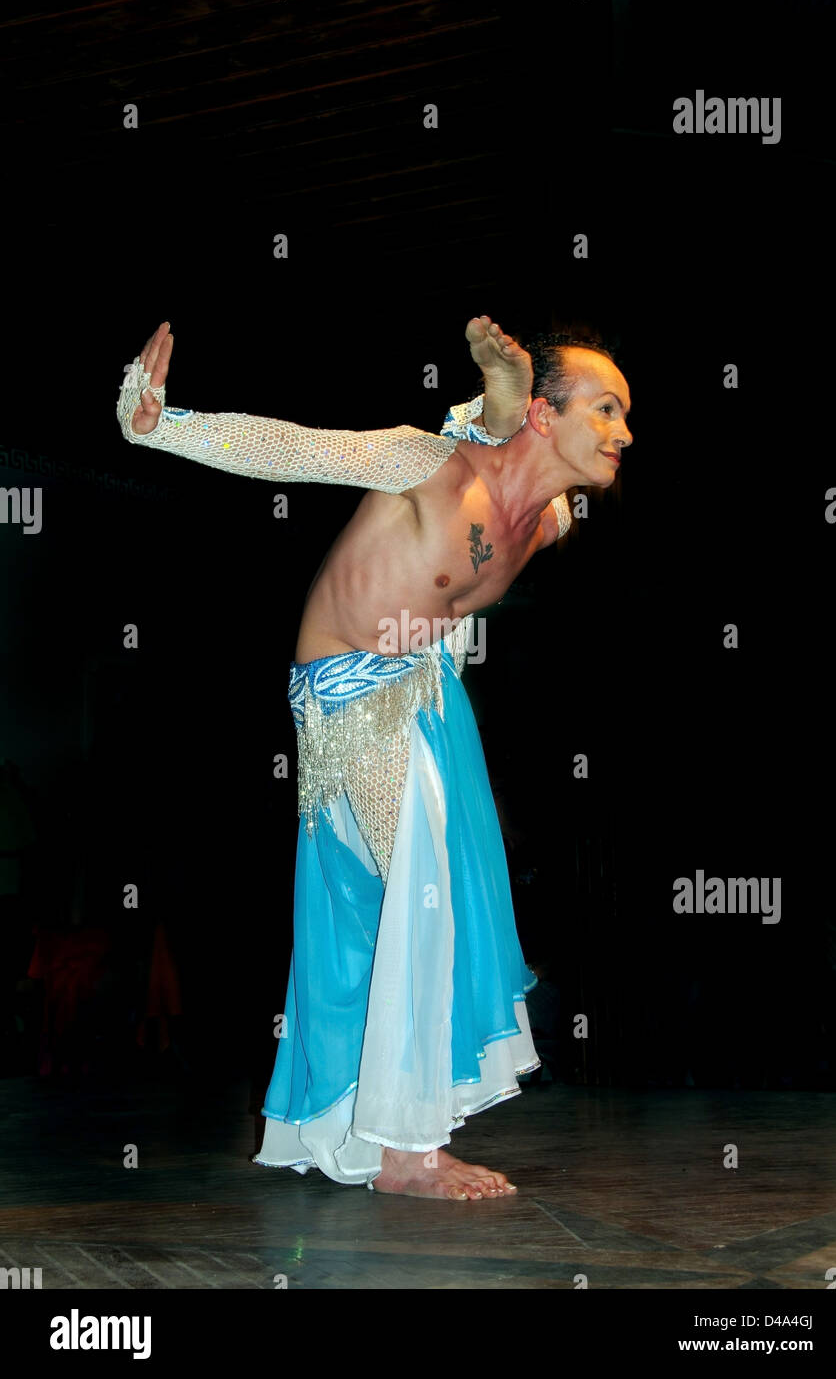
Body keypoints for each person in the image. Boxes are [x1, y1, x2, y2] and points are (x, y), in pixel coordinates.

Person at [117, 316, 633, 1200]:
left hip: (429, 691)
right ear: (544, 415)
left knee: (410, 904)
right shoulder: (423, 465)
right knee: (423, 885)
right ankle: (404, 1153)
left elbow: (509, 467)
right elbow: (294, 450)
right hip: (352, 690)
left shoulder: (547, 519)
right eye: (605, 408)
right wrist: (161, 426)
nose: (622, 431)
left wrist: (492, 412)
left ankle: (351, 1125)